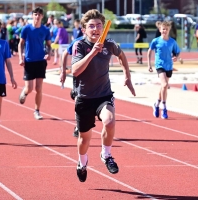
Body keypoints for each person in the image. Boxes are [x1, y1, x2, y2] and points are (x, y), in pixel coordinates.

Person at [71, 9, 135, 182]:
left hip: (103, 95)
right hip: (84, 98)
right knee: (84, 139)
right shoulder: (80, 45)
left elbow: (121, 55)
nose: (96, 29)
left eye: (99, 25)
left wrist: (127, 76)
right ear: (84, 29)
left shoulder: (109, 43)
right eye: (91, 26)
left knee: (109, 120)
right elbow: (75, 71)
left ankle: (106, 155)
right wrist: (92, 53)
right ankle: (82, 163)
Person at [18, 7, 51, 120]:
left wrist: (49, 53)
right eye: (35, 14)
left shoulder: (45, 30)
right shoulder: (26, 29)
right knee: (30, 88)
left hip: (41, 61)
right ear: (32, 15)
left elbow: (49, 45)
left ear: (42, 16)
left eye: (39, 15)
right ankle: (25, 92)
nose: (37, 16)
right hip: (29, 61)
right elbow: (20, 44)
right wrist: (20, 58)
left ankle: (37, 111)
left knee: (39, 88)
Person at [147, 21, 180, 119]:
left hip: (169, 66)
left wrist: (176, 57)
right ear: (160, 30)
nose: (164, 31)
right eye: (163, 29)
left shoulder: (172, 42)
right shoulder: (156, 41)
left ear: (169, 30)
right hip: (159, 65)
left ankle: (156, 104)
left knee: (163, 87)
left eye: (166, 29)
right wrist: (149, 64)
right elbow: (149, 51)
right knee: (165, 85)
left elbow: (177, 52)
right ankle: (164, 107)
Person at [60, 34, 85, 138]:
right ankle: (78, 127)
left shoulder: (100, 41)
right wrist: (64, 71)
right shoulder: (77, 41)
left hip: (94, 78)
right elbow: (65, 53)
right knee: (79, 101)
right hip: (79, 76)